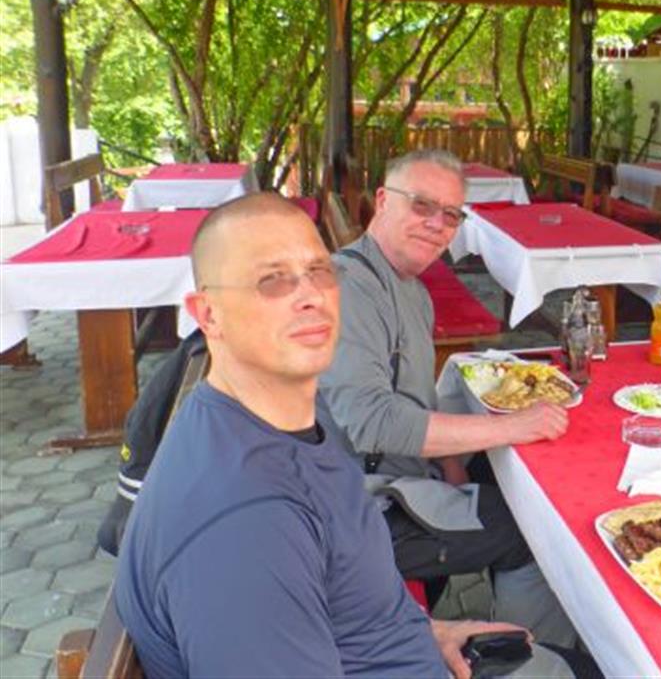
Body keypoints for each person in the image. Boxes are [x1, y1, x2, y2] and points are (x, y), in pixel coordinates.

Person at [115, 193, 576, 678]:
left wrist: (428, 633)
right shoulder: (245, 527)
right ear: (209, 314)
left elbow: (342, 601)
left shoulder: (271, 424)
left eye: (320, 271)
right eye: (272, 280)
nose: (311, 295)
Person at [318, 150, 576, 646]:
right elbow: (373, 422)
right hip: (355, 509)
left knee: (502, 477)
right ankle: (523, 657)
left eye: (451, 215)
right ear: (382, 201)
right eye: (421, 205)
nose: (437, 224)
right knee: (537, 532)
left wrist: (453, 464)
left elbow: (412, 398)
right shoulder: (348, 288)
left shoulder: (410, 289)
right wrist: (512, 426)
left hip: (398, 474)